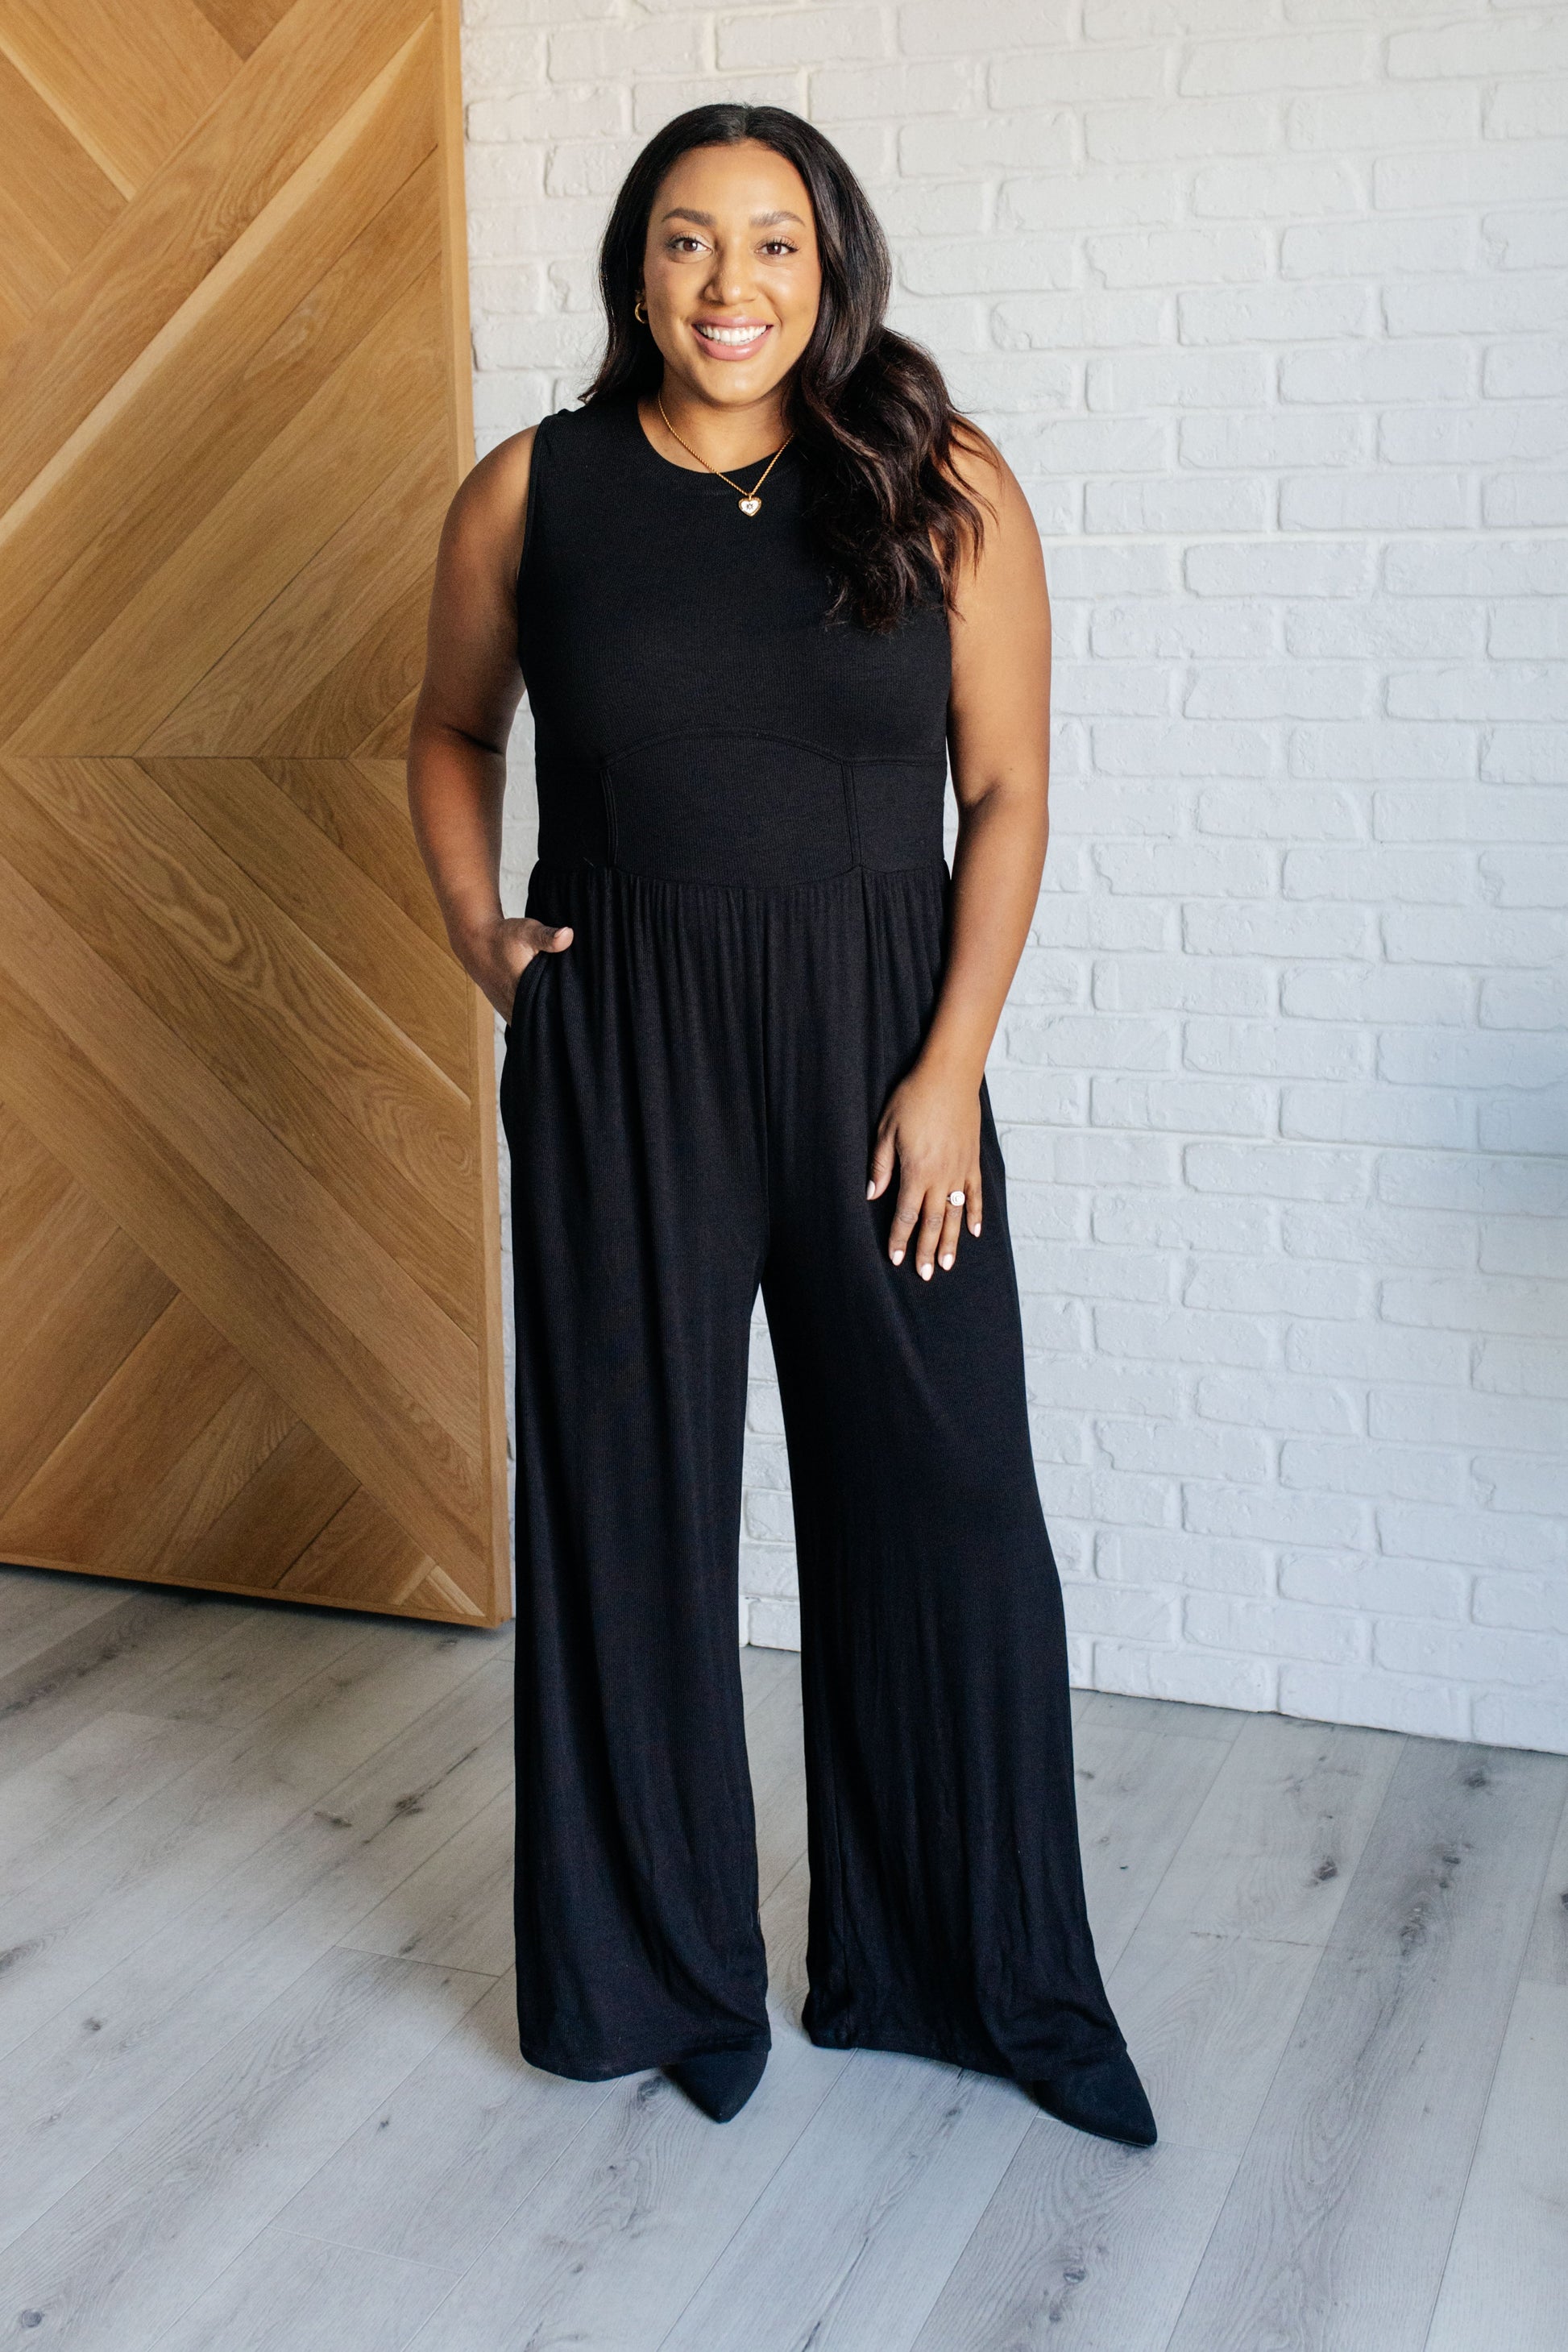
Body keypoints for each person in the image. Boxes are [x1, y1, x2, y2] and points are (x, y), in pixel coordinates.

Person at [407, 102, 1155, 2147]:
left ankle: (965, 1972)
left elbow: (1007, 793)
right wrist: (482, 937)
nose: (727, 284)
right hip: (622, 1047)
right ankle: (657, 1976)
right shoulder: (533, 489)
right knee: (627, 1510)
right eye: (685, 239)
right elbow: (452, 726)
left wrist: (948, 1066)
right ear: (634, 270)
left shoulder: (937, 478)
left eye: (771, 243)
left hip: (879, 1049)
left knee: (948, 1507)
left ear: (831, 271)